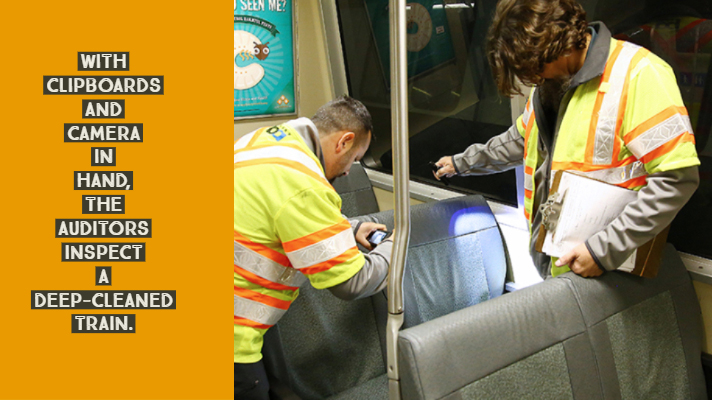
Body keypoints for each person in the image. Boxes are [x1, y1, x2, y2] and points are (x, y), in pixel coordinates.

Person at [435, 0, 700, 279]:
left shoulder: (639, 73)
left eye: (536, 65)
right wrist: (462, 163)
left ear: (561, 44)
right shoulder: (548, 85)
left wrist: (603, 250)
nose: (533, 77)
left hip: (607, 270)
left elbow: (677, 178)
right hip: (556, 262)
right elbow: (521, 140)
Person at [233, 96, 393, 399]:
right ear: (344, 142)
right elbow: (351, 282)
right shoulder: (304, 183)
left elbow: (272, 215)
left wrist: (351, 228)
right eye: (355, 158)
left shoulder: (263, 142)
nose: (349, 172)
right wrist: (395, 247)